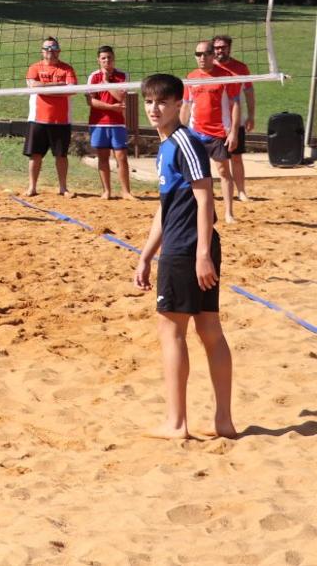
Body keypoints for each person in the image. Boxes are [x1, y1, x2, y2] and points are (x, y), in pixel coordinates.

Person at [134, 73, 236, 440]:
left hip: (188, 248)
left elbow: (205, 196)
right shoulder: (166, 147)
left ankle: (177, 423)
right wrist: (146, 255)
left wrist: (202, 255)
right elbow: (167, 207)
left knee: (174, 329)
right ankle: (222, 422)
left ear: (180, 104)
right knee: (208, 329)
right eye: (148, 101)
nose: (154, 108)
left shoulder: (184, 142)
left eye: (162, 102)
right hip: (184, 246)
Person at [182, 40, 240, 224]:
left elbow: (236, 104)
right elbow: (186, 105)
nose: (201, 57)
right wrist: (180, 131)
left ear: (212, 55)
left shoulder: (225, 76)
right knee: (196, 174)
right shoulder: (191, 77)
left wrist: (234, 133)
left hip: (218, 132)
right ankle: (198, 210)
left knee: (223, 171)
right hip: (195, 132)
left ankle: (229, 212)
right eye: (198, 54)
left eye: (205, 54)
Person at [24, 36, 77, 197]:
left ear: (59, 51)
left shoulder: (67, 69)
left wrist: (45, 88)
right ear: (42, 51)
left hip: (61, 120)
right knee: (35, 155)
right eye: (47, 49)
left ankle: (63, 188)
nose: (50, 52)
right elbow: (33, 86)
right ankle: (32, 187)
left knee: (61, 155)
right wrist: (58, 86)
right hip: (37, 119)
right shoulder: (34, 67)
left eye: (54, 49)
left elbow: (72, 89)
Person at [85, 44, 135, 200]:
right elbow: (91, 102)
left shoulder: (122, 76)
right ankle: (107, 191)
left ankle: (126, 192)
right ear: (98, 60)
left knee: (121, 157)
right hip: (98, 122)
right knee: (103, 157)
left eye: (109, 58)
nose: (107, 61)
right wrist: (111, 107)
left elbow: (121, 97)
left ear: (114, 59)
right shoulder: (93, 77)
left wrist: (106, 83)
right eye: (103, 58)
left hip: (117, 123)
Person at [213, 35, 254, 202]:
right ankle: (212, 189)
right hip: (214, 122)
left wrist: (251, 115)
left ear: (229, 48)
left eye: (223, 47)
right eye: (216, 48)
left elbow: (249, 93)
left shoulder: (241, 68)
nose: (219, 50)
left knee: (236, 157)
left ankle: (241, 191)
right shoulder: (209, 68)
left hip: (236, 121)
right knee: (215, 160)